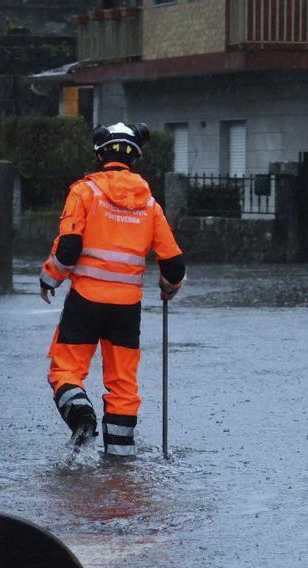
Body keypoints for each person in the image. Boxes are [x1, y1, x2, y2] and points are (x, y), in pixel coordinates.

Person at [40, 121, 186, 457]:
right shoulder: (149, 205)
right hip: (126, 310)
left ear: (100, 153)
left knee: (66, 370)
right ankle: (120, 465)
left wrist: (49, 278)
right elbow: (174, 265)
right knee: (123, 385)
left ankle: (82, 418)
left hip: (85, 303)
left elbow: (68, 249)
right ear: (136, 156)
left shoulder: (84, 191)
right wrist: (168, 287)